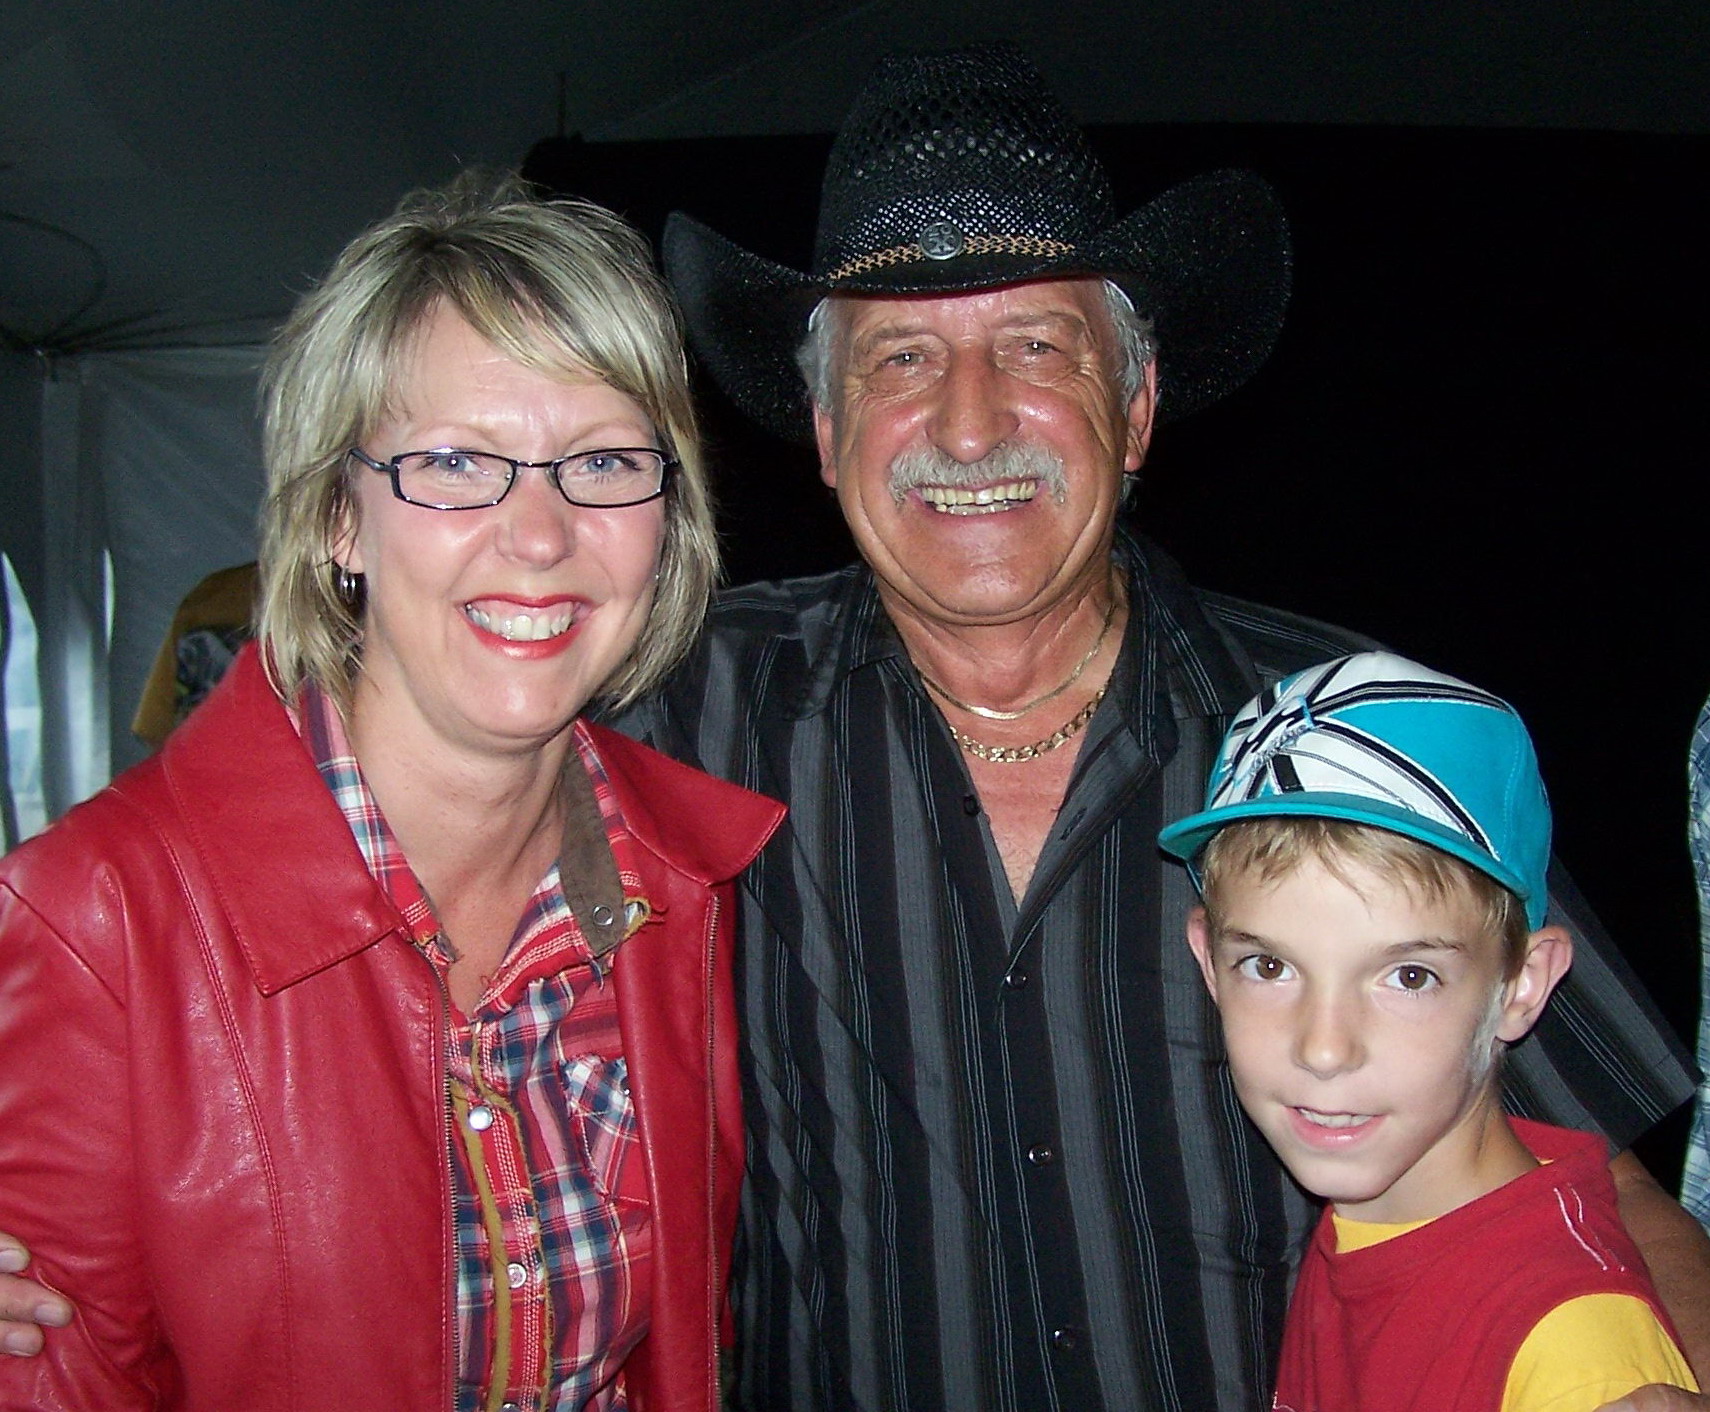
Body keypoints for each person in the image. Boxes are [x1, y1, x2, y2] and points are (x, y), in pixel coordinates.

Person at [2, 42, 1706, 1412]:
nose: (965, 424)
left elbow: (1594, 1182)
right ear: (819, 433)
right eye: (895, 362)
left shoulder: (1356, 730)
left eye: (1034, 346)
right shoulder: (669, 715)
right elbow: (333, 792)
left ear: (1134, 403)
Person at [0, 175, 782, 1409]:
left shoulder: (691, 882)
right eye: (458, 461)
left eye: (602, 460)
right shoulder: (98, 920)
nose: (540, 534)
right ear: (337, 519)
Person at [1160, 651, 1697, 1409]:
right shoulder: (1384, 1213)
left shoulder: (1571, 1355)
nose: (1324, 1049)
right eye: (1270, 967)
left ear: (1522, 984)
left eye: (1409, 977)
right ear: (1209, 963)